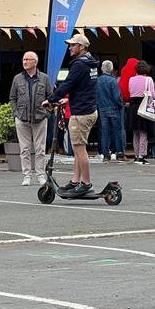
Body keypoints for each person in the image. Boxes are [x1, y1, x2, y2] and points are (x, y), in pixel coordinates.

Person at [46, 34, 100, 196]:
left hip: (81, 113)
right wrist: (66, 100)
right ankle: (75, 181)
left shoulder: (79, 65)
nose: (70, 48)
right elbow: (83, 87)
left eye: (73, 45)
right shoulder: (91, 63)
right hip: (89, 109)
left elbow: (68, 84)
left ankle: (86, 183)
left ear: (81, 47)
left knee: (79, 149)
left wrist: (51, 99)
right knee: (78, 148)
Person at [9, 51, 54, 185]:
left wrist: (47, 113)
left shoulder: (44, 78)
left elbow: (51, 97)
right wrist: (16, 113)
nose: (24, 62)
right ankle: (26, 175)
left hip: (40, 118)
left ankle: (40, 175)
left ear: (35, 62)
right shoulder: (17, 78)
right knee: (24, 149)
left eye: (28, 59)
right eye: (23, 59)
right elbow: (13, 97)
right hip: (22, 118)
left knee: (40, 149)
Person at [126, 60, 155, 165]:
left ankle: (135, 155)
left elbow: (130, 92)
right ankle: (141, 156)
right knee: (144, 132)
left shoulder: (131, 79)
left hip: (133, 107)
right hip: (143, 107)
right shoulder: (149, 79)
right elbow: (152, 95)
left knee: (135, 133)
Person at [96, 60, 125, 163]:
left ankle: (105, 155)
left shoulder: (97, 81)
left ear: (101, 69)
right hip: (113, 108)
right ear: (112, 69)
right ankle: (119, 153)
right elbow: (117, 96)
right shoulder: (112, 81)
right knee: (117, 132)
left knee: (105, 132)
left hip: (102, 109)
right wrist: (121, 104)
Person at [118, 58, 139, 159]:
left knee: (122, 126)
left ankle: (122, 148)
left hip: (122, 102)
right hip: (134, 103)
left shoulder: (123, 70)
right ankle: (140, 151)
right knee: (138, 129)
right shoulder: (137, 74)